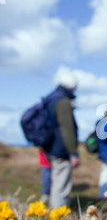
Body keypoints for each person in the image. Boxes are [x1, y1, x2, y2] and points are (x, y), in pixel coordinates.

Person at [45, 70, 79, 210]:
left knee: (56, 180)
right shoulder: (63, 101)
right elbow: (67, 128)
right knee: (61, 184)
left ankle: (54, 211)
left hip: (50, 146)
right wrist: (73, 152)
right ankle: (58, 216)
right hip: (60, 148)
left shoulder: (51, 98)